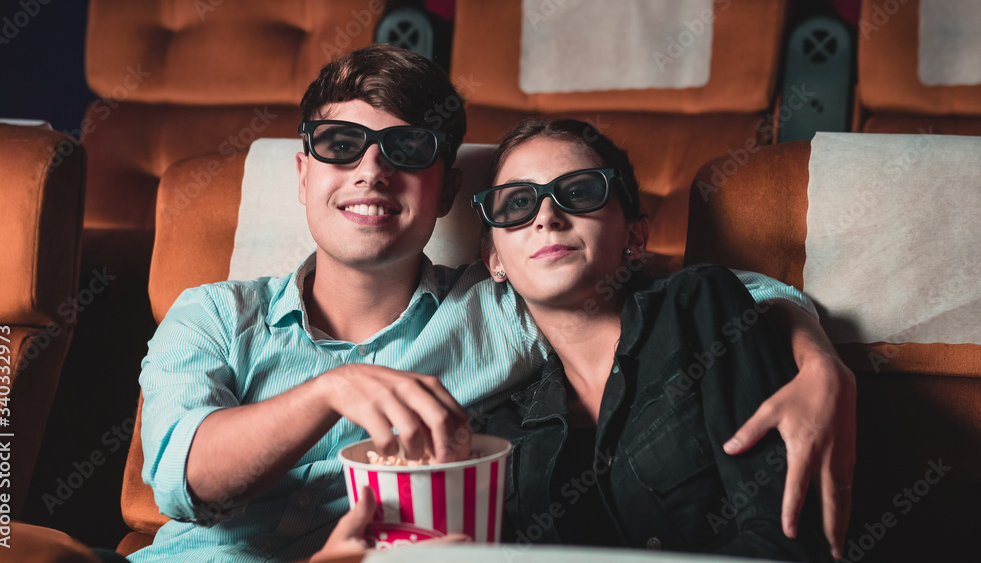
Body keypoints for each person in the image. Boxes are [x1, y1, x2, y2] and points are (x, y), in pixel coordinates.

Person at [131, 45, 854, 562]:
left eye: (406, 149)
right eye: (342, 144)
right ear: (302, 171)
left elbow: (692, 292)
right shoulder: (214, 314)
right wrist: (330, 391)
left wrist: (819, 361)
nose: (372, 170)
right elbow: (182, 481)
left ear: (444, 192)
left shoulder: (504, 304)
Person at [479, 119, 836, 560]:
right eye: (517, 203)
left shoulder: (700, 307)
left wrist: (819, 353)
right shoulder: (507, 423)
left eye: (580, 192)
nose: (548, 217)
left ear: (635, 237)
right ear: (495, 260)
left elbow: (787, 541)